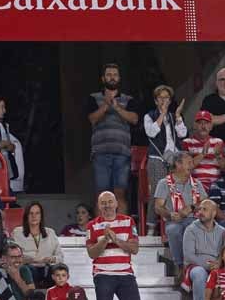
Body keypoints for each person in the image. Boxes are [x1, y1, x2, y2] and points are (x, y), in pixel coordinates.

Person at [86, 190, 143, 300]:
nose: (107, 206)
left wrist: (116, 239)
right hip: (102, 274)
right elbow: (92, 253)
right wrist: (105, 239)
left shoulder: (128, 221)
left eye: (110, 201)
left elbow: (134, 248)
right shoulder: (92, 226)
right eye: (103, 203)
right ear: (98, 206)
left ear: (117, 204)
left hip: (125, 274)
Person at [86, 63, 139, 206]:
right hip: (101, 154)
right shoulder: (94, 98)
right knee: (101, 195)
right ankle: (100, 228)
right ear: (103, 78)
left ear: (119, 78)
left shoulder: (128, 99)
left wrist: (116, 107)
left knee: (120, 193)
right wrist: (105, 105)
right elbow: (92, 119)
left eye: (115, 75)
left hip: (122, 154)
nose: (112, 77)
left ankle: (122, 228)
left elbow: (134, 119)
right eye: (109, 75)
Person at [142, 84, 188, 234]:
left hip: (174, 159)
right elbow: (151, 132)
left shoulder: (174, 116)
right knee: (157, 191)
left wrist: (179, 117)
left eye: (166, 98)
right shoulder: (149, 116)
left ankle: (176, 223)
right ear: (156, 101)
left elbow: (182, 134)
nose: (164, 101)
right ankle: (151, 226)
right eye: (160, 98)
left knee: (180, 190)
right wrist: (161, 115)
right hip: (157, 158)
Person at [153, 150, 207, 272]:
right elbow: (158, 207)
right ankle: (180, 266)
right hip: (174, 220)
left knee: (193, 227)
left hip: (194, 219)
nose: (192, 165)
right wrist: (170, 214)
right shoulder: (164, 183)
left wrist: (192, 207)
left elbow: (205, 203)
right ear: (178, 164)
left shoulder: (196, 183)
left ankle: (195, 264)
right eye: (189, 163)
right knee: (173, 230)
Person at [11, 202, 64, 288]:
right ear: (26, 216)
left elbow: (60, 256)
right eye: (31, 213)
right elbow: (13, 256)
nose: (34, 216)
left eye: (37, 213)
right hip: (29, 268)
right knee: (29, 270)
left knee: (57, 270)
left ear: (41, 216)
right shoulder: (17, 232)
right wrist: (31, 259)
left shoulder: (50, 232)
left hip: (47, 268)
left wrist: (52, 259)